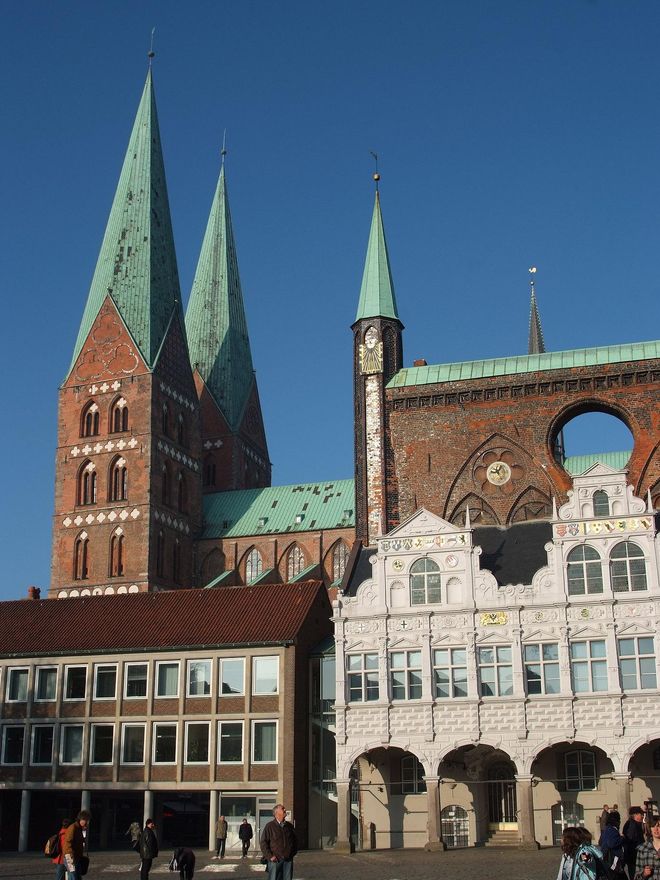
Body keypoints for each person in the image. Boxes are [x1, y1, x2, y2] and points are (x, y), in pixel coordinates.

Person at [260, 804, 297, 880]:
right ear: (276, 813)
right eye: (282, 808)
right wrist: (270, 856)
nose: (285, 810)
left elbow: (295, 841)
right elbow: (263, 843)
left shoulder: (289, 826)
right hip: (275, 860)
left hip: (288, 860)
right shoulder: (270, 826)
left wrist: (291, 854)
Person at [62, 810, 91, 880]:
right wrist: (71, 857)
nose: (87, 823)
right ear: (81, 819)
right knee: (73, 876)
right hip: (69, 857)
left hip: (76, 857)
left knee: (77, 876)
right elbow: (67, 843)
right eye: (86, 821)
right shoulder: (73, 828)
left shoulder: (79, 828)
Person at [624, 807, 646, 879]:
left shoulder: (635, 824)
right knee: (635, 876)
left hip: (635, 856)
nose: (642, 816)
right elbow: (631, 841)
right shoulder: (632, 825)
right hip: (634, 857)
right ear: (635, 815)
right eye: (641, 814)